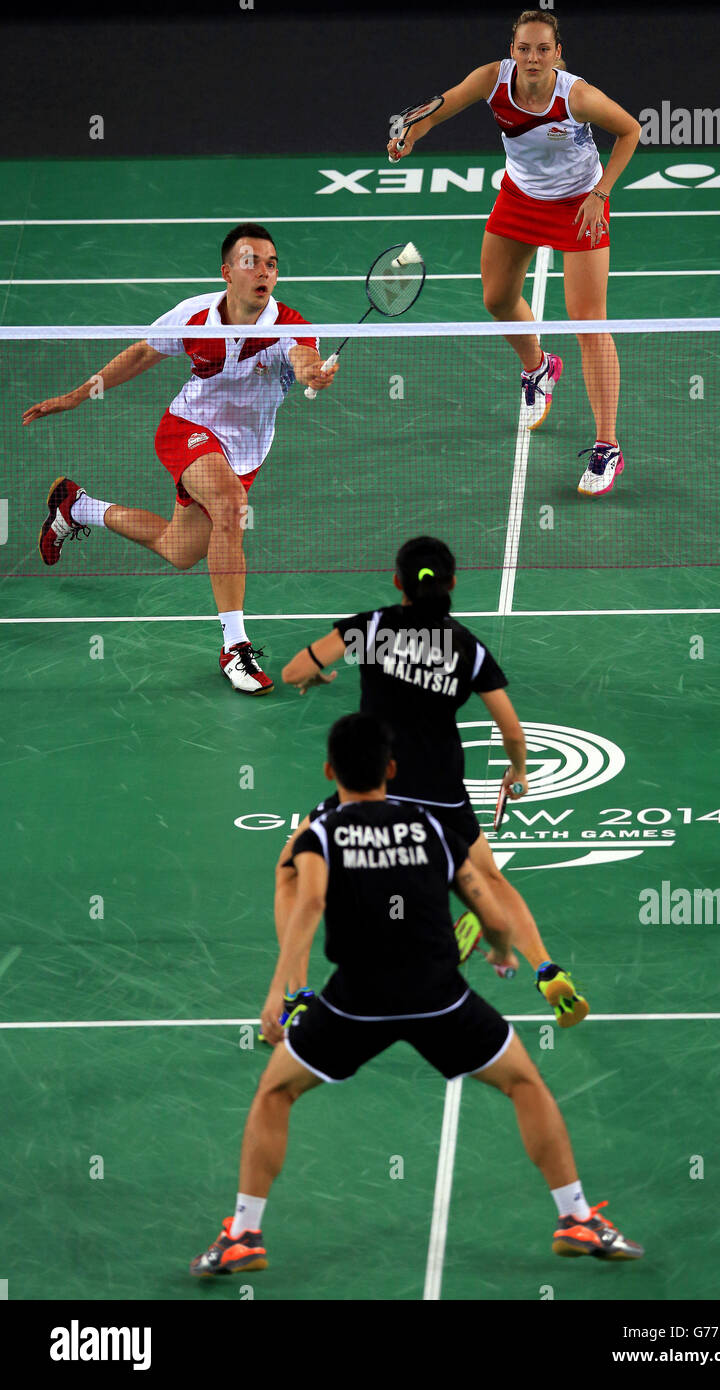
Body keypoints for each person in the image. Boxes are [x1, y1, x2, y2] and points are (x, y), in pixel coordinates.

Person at [189, 713, 643, 1277]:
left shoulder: (319, 834)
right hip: (440, 999)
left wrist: (282, 992)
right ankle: (575, 1218)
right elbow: (491, 908)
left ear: (330, 770)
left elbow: (306, 905)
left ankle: (244, 1235)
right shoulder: (431, 826)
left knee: (275, 1093)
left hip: (353, 1002)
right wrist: (503, 950)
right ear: (393, 770)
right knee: (525, 1083)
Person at [278, 535, 588, 1030]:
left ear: (398, 582)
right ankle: (547, 970)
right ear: (452, 584)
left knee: (293, 870)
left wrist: (313, 678)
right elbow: (510, 728)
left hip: (373, 787)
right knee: (487, 877)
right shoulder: (468, 647)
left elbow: (295, 668)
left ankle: (296, 995)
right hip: (442, 790)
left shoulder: (372, 627)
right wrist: (519, 768)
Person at [26, 223, 337, 693]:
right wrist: (75, 396)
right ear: (228, 271)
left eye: (272, 264)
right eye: (252, 261)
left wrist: (313, 374)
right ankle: (235, 648)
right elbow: (138, 356)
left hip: (244, 453)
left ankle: (77, 506)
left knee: (180, 551)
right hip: (186, 431)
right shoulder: (194, 316)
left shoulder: (288, 326)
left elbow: (303, 358)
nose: (264, 272)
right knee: (231, 507)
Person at [386, 9, 641, 498]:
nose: (532, 57)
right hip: (520, 198)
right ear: (513, 51)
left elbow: (629, 130)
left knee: (588, 321)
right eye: (524, 48)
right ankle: (539, 366)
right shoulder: (493, 80)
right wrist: (411, 135)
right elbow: (440, 106)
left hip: (578, 204)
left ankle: (608, 445)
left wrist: (601, 193)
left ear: (557, 53)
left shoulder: (577, 96)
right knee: (497, 300)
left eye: (543, 49)